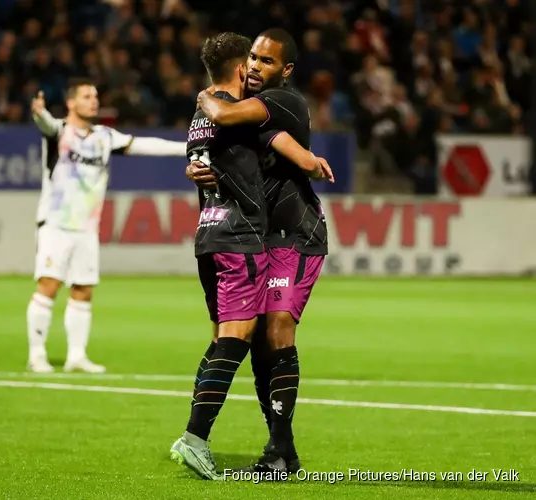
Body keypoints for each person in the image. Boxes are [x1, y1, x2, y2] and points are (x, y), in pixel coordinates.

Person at [171, 32, 333, 480]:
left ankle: (274, 449)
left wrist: (207, 97)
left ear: (286, 70)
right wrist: (196, 165)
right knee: (256, 340)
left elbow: (225, 113)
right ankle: (282, 451)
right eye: (254, 58)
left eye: (267, 60)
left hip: (296, 233)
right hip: (261, 237)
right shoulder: (248, 112)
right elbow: (224, 143)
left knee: (277, 327)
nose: (258, 66)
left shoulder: (282, 101)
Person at [28, 78, 187, 373]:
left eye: (96, 96)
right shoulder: (60, 132)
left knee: (83, 290)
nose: (94, 101)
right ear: (71, 102)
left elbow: (143, 145)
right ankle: (36, 354)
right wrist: (39, 113)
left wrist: (186, 148)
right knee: (49, 285)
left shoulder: (104, 137)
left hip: (87, 227)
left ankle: (76, 356)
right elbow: (46, 124)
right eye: (87, 96)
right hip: (55, 223)